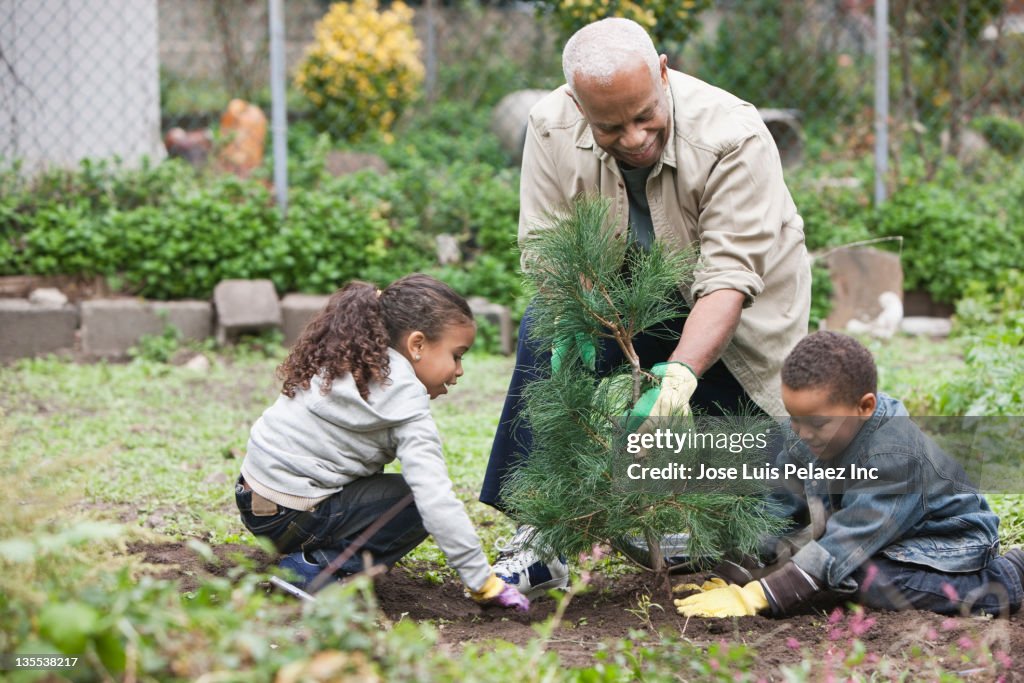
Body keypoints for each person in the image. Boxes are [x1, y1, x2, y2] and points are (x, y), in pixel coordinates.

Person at [483, 16, 810, 593]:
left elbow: (728, 281)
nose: (633, 138)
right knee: (542, 325)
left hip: (735, 331)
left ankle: (757, 501)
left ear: (663, 72)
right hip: (622, 308)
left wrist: (679, 378)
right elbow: (545, 244)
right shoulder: (550, 126)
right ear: (578, 105)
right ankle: (543, 529)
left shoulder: (733, 135)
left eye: (644, 116)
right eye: (610, 126)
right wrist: (572, 324)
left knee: (765, 528)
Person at [674, 331, 1024, 618]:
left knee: (864, 579)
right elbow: (779, 508)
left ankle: (1007, 578)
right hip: (891, 533)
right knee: (824, 562)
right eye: (794, 417)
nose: (801, 432)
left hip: (950, 542)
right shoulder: (809, 431)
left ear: (865, 406)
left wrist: (758, 596)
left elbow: (845, 543)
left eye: (817, 423)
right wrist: (733, 575)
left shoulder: (893, 458)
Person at [235, 274, 528, 612]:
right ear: (417, 345)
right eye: (457, 355)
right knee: (415, 501)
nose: (459, 371)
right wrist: (483, 583)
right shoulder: (406, 406)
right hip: (294, 513)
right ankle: (315, 571)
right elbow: (435, 500)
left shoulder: (349, 358)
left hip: (254, 497)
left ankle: (309, 556)